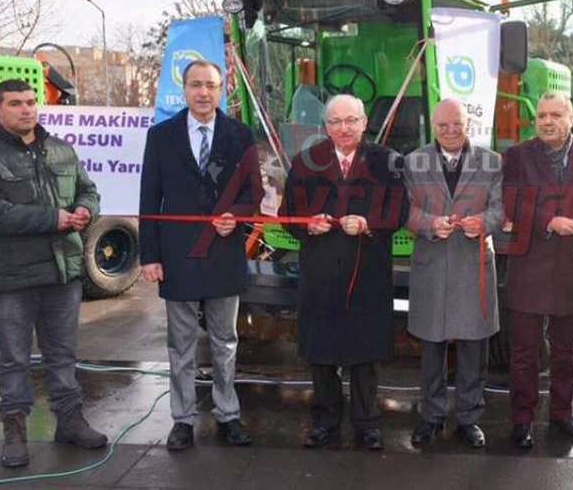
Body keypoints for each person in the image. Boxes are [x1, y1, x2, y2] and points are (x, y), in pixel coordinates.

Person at [0, 79, 107, 467]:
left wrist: (85, 210)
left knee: (63, 355)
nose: (26, 109)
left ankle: (70, 421)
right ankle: (14, 430)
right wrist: (53, 219)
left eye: (30, 102)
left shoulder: (61, 149)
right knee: (14, 359)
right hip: (10, 279)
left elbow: (88, 190)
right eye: (15, 104)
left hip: (62, 273)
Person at [139, 60, 261, 451]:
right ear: (185, 88)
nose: (203, 92)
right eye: (196, 85)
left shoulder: (240, 136)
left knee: (226, 341)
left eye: (210, 85)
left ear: (221, 88)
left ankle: (228, 415)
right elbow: (149, 197)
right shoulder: (161, 136)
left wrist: (236, 217)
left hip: (224, 251)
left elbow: (255, 194)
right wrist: (149, 256)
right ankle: (183, 420)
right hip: (178, 255)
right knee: (181, 344)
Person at [282, 94, 407, 451]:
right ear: (325, 127)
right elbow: (287, 214)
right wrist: (307, 225)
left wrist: (369, 223)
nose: (344, 128)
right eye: (335, 122)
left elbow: (400, 211)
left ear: (365, 122)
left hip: (367, 271)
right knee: (321, 350)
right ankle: (324, 420)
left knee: (364, 352)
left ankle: (367, 423)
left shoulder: (388, 162)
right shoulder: (305, 163)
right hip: (320, 272)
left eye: (351, 120)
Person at [499, 91, 573, 449]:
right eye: (542, 115)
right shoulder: (516, 156)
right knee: (524, 352)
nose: (547, 121)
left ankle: (562, 415)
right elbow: (511, 201)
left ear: (571, 117)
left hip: (569, 267)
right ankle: (522, 419)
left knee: (565, 350)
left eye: (555, 114)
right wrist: (549, 221)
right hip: (528, 264)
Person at [404, 99, 503, 449]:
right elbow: (406, 209)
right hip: (431, 264)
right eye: (443, 125)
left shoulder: (491, 162)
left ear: (468, 126)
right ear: (433, 125)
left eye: (457, 125)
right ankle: (431, 416)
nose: (450, 131)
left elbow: (500, 208)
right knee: (431, 347)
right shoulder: (413, 161)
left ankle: (469, 417)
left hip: (473, 264)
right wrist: (429, 224)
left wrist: (484, 223)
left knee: (474, 347)